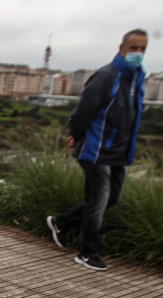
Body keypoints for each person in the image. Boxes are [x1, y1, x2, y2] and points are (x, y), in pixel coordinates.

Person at [47, 29, 147, 271]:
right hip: (96, 149)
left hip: (119, 152)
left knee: (112, 198)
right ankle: (87, 253)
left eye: (143, 48)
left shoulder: (136, 77)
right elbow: (83, 111)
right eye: (134, 48)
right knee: (98, 202)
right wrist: (77, 135)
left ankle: (60, 222)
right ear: (121, 48)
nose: (138, 53)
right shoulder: (106, 75)